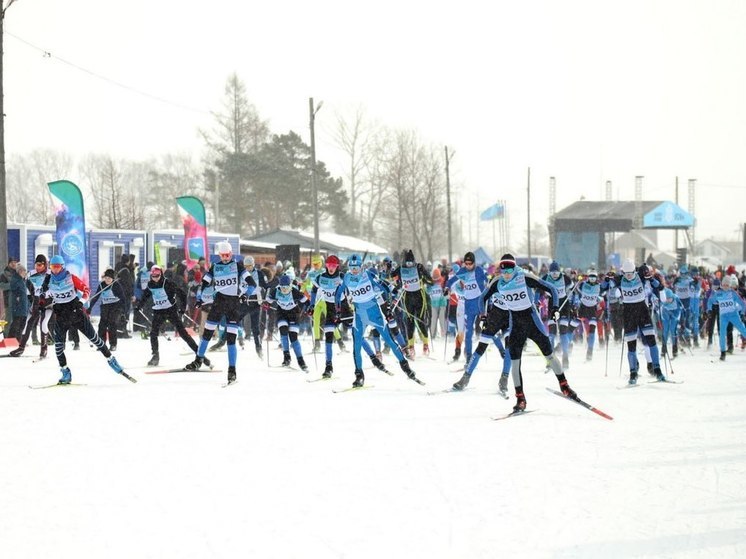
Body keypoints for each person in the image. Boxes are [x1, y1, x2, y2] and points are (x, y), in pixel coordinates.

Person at [492, 254, 577, 413]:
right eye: (503, 271)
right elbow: (483, 297)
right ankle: (520, 399)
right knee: (515, 362)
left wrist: (555, 308)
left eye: (509, 270)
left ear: (514, 268)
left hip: (533, 322)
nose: (506, 274)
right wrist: (483, 316)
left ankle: (565, 386)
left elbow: (550, 288)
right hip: (516, 325)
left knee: (549, 355)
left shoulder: (524, 276)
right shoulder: (497, 282)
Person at [40, 255, 133, 384]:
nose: (54, 270)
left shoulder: (70, 277)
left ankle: (111, 360)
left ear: (62, 266)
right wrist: (42, 298)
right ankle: (65, 371)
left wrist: (81, 302)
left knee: (95, 339)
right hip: (61, 315)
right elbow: (45, 294)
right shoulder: (48, 279)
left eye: (57, 267)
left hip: (75, 313)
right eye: (52, 267)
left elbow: (86, 290)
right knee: (58, 346)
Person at [337, 254, 421, 387]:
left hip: (375, 314)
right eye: (352, 267)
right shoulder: (347, 277)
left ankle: (406, 368)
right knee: (356, 345)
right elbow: (339, 292)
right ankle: (359, 375)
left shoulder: (368, 275)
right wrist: (338, 309)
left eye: (356, 267)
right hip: (359, 316)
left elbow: (385, 288)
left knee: (389, 341)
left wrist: (388, 305)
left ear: (361, 267)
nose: (354, 270)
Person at [185, 242, 255, 385]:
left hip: (233, 305)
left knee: (231, 339)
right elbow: (204, 283)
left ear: (231, 254)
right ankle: (198, 360)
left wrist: (245, 295)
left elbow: (252, 283)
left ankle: (232, 370)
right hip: (218, 303)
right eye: (222, 256)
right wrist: (199, 299)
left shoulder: (237, 266)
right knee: (207, 334)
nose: (225, 258)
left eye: (227, 255)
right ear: (219, 255)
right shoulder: (215, 267)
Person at [602, 260, 665, 384]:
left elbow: (660, 287)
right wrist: (606, 279)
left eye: (631, 273)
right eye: (626, 273)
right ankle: (633, 373)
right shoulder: (619, 279)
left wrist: (651, 279)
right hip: (629, 313)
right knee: (631, 345)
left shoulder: (640, 276)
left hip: (643, 311)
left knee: (651, 340)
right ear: (623, 272)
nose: (629, 276)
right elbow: (602, 288)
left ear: (634, 271)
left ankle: (657, 370)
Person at [136, 264, 210, 367]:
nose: (155, 278)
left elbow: (182, 294)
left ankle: (200, 355)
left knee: (184, 334)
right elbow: (145, 296)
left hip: (170, 310)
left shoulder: (168, 283)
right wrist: (139, 306)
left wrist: (182, 308)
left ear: (161, 274)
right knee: (153, 333)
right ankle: (155, 356)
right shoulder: (150, 284)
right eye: (153, 276)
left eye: (157, 276)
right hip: (158, 311)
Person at [445, 251, 487, 364]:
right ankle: (468, 358)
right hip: (468, 304)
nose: (468, 266)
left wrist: (488, 286)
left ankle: (502, 351)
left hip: (480, 303)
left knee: (488, 330)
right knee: (468, 333)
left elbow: (486, 280)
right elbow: (450, 281)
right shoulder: (462, 271)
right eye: (466, 263)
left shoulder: (478, 270)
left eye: (470, 263)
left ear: (474, 263)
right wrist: (447, 288)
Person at [9, 254, 54, 358]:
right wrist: (32, 301)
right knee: (27, 323)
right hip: (36, 302)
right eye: (36, 264)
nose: (37, 267)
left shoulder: (50, 274)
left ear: (45, 265)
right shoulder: (31, 274)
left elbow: (53, 289)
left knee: (43, 324)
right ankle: (21, 348)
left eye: (40, 265)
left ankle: (44, 349)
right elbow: (29, 290)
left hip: (48, 304)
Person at [391, 249, 433, 357]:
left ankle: (425, 344)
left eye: (411, 263)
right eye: (407, 263)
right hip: (408, 298)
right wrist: (396, 283)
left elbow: (430, 280)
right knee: (409, 322)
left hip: (419, 297)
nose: (409, 265)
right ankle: (411, 346)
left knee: (420, 321)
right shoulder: (401, 268)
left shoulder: (419, 267)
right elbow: (392, 275)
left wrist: (424, 279)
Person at [264, 273, 309, 371]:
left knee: (293, 338)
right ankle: (287, 357)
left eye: (286, 287)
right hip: (281, 313)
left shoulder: (295, 292)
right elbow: (268, 300)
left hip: (293, 314)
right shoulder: (276, 290)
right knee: (283, 332)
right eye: (282, 287)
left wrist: (309, 309)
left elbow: (307, 302)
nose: (284, 289)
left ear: (290, 286)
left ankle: (301, 361)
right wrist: (266, 304)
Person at [310, 254, 344, 378]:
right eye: (329, 265)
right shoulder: (321, 277)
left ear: (337, 266)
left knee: (356, 334)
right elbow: (314, 290)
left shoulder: (341, 277)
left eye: (333, 266)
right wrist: (311, 305)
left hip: (343, 308)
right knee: (328, 335)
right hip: (330, 308)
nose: (331, 268)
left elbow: (352, 289)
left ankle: (373, 359)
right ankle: (328, 366)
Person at [541, 260, 576, 369]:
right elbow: (539, 287)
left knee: (563, 332)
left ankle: (565, 357)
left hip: (564, 306)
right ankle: (551, 360)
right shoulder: (545, 277)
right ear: (549, 272)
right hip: (552, 307)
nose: (555, 274)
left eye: (557, 272)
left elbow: (572, 285)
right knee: (551, 334)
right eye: (553, 272)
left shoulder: (564, 277)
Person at [707, 274, 746, 361]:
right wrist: (709, 310)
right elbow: (710, 301)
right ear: (721, 284)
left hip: (733, 315)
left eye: (727, 285)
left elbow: (742, 303)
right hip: (723, 316)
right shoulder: (718, 293)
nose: (725, 287)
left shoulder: (733, 293)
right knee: (722, 333)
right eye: (724, 285)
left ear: (730, 285)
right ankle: (723, 352)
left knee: (743, 329)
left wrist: (743, 313)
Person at [87, 268, 126, 351]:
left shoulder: (116, 285)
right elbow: (95, 297)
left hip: (115, 306)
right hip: (105, 306)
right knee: (102, 325)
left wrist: (123, 311)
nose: (107, 280)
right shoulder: (101, 285)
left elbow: (123, 298)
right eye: (106, 278)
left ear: (113, 278)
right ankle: (101, 344)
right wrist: (90, 307)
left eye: (109, 278)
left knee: (112, 324)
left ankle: (113, 344)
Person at [575, 268, 602, 362]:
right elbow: (575, 288)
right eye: (591, 276)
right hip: (583, 308)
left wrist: (599, 299)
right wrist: (578, 279)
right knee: (575, 325)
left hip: (592, 309)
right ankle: (566, 345)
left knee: (592, 329)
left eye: (594, 277)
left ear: (596, 278)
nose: (592, 278)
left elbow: (603, 295)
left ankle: (590, 350)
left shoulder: (599, 286)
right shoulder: (583, 284)